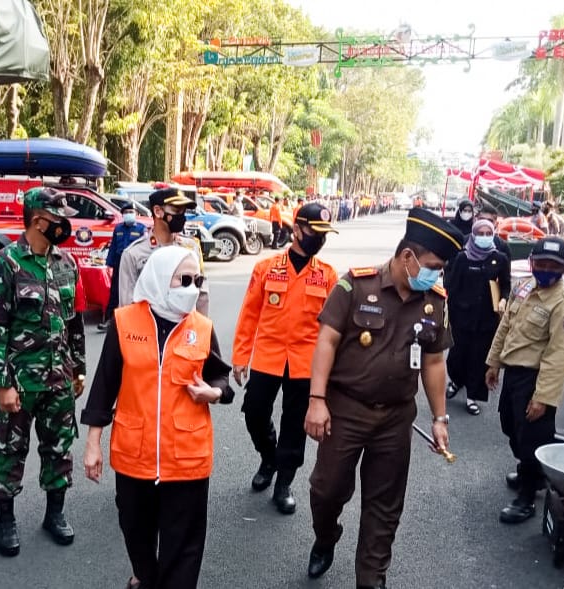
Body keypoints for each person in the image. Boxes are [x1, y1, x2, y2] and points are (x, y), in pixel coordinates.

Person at [303, 208, 463, 589]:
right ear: (407, 257)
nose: (436, 274)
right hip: (345, 409)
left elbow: (434, 360)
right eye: (432, 266)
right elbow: (326, 340)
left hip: (395, 419)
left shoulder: (435, 301)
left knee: (384, 505)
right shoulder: (356, 287)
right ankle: (326, 537)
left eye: (440, 269)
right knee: (327, 491)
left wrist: (440, 419)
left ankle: (371, 579)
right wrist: (316, 399)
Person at [81, 246, 233, 589]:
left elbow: (220, 378)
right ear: (161, 278)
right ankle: (146, 578)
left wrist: (216, 392)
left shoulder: (202, 328)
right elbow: (105, 386)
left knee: (184, 548)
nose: (192, 288)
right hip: (135, 455)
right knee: (136, 533)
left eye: (198, 280)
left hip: (187, 457)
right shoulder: (125, 322)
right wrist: (93, 444)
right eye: (184, 280)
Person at [0, 187, 87, 557]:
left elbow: (74, 323)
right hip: (20, 381)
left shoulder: (66, 264)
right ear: (39, 220)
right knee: (11, 449)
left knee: (59, 447)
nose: (65, 224)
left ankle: (54, 514)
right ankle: (6, 521)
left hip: (59, 377)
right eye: (60, 218)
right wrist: (2, 384)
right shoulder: (7, 263)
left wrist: (79, 369)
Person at [232, 203, 339, 515]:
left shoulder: (327, 276)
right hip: (268, 356)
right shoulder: (266, 268)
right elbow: (249, 314)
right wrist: (241, 356)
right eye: (313, 232)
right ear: (297, 229)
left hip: (306, 363)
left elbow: (332, 331)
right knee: (254, 412)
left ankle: (284, 483)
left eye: (323, 235)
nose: (318, 239)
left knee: (294, 425)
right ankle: (269, 456)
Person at [485, 237, 564, 524]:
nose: (546, 269)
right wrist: (494, 361)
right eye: (541, 263)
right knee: (511, 427)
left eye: (554, 266)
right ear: (531, 262)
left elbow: (558, 356)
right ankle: (533, 472)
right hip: (514, 372)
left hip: (536, 379)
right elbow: (506, 325)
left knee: (532, 438)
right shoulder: (524, 286)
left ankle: (527, 496)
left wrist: (543, 398)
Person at [445, 219, 511, 416]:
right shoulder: (462, 258)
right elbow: (451, 285)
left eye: (487, 233)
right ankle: (456, 380)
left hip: (486, 318)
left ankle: (473, 396)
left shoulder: (499, 258)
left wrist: (504, 300)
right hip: (461, 316)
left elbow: (506, 285)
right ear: (473, 235)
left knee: (479, 357)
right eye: (479, 233)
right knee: (457, 355)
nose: (483, 237)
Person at [118, 188, 209, 315]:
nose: (181, 217)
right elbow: (127, 304)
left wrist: (201, 330)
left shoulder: (190, 249)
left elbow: (201, 295)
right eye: (176, 211)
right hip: (149, 329)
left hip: (184, 329)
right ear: (158, 211)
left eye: (183, 212)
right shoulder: (134, 254)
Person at [98, 202, 146, 332]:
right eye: (126, 212)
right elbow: (113, 247)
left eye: (131, 212)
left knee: (133, 292)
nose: (129, 215)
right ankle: (109, 319)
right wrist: (109, 264)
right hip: (119, 262)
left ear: (136, 214)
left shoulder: (141, 229)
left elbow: (143, 249)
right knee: (115, 291)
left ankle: (134, 320)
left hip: (134, 263)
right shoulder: (118, 228)